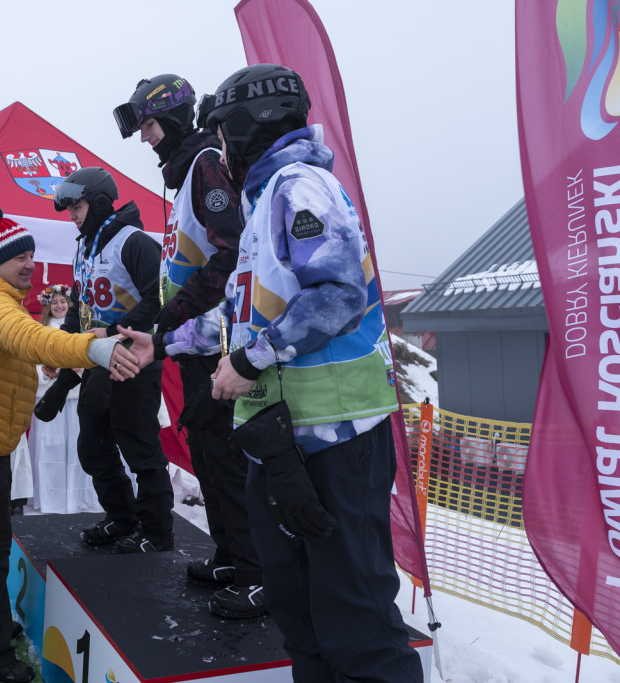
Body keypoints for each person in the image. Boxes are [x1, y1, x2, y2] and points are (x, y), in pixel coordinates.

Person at [120, 64, 423, 681]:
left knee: (354, 619)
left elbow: (338, 294)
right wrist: (162, 343)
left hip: (337, 437)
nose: (220, 148)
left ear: (246, 123)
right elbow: (243, 316)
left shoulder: (298, 185)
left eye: (224, 134)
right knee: (297, 610)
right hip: (280, 437)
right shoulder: (263, 199)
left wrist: (247, 361)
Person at [0, 204, 140, 683]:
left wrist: (40, 367)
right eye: (19, 257)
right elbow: (33, 339)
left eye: (32, 254)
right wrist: (95, 346)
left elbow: (15, 351)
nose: (29, 263)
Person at [113, 74, 264, 618]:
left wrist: (175, 317)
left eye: (150, 126)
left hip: (220, 341)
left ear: (174, 119)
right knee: (206, 449)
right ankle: (230, 553)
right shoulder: (186, 174)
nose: (146, 138)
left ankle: (255, 570)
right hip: (194, 342)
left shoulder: (205, 164)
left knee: (225, 456)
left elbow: (233, 255)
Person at [49, 167, 175, 554]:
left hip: (134, 361)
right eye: (69, 209)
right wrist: (63, 345)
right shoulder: (84, 246)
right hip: (98, 364)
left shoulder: (133, 241)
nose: (72, 215)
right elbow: (79, 307)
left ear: (100, 202)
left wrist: (114, 330)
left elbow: (161, 301)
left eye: (78, 206)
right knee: (93, 446)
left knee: (139, 447)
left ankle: (158, 531)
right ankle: (122, 517)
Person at [28, 285, 99, 514]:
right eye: (55, 302)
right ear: (48, 306)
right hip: (52, 395)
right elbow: (33, 368)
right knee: (52, 448)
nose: (59, 306)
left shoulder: (81, 328)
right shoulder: (40, 332)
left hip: (77, 396)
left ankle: (80, 498)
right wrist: (53, 373)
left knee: (77, 447)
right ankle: (52, 499)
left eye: (63, 302)